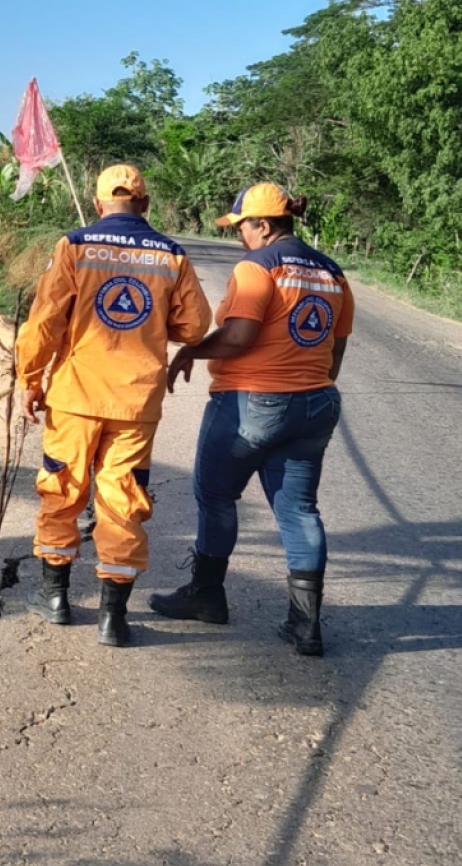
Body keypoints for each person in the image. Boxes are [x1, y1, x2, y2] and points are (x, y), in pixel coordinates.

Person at [149, 183, 354, 657]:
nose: (240, 235)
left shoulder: (258, 267)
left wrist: (192, 352)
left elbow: (239, 336)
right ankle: (306, 625)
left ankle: (206, 595)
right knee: (300, 510)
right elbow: (336, 348)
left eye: (242, 226)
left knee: (217, 495)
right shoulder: (333, 272)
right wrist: (306, 383)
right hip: (316, 403)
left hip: (253, 401)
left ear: (264, 225)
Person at [16, 164, 212, 646]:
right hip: (136, 402)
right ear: (144, 205)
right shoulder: (172, 255)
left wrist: (30, 379)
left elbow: (44, 322)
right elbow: (193, 328)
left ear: (99, 203)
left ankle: (56, 598)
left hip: (75, 398)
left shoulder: (75, 246)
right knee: (122, 499)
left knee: (62, 489)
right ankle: (112, 618)